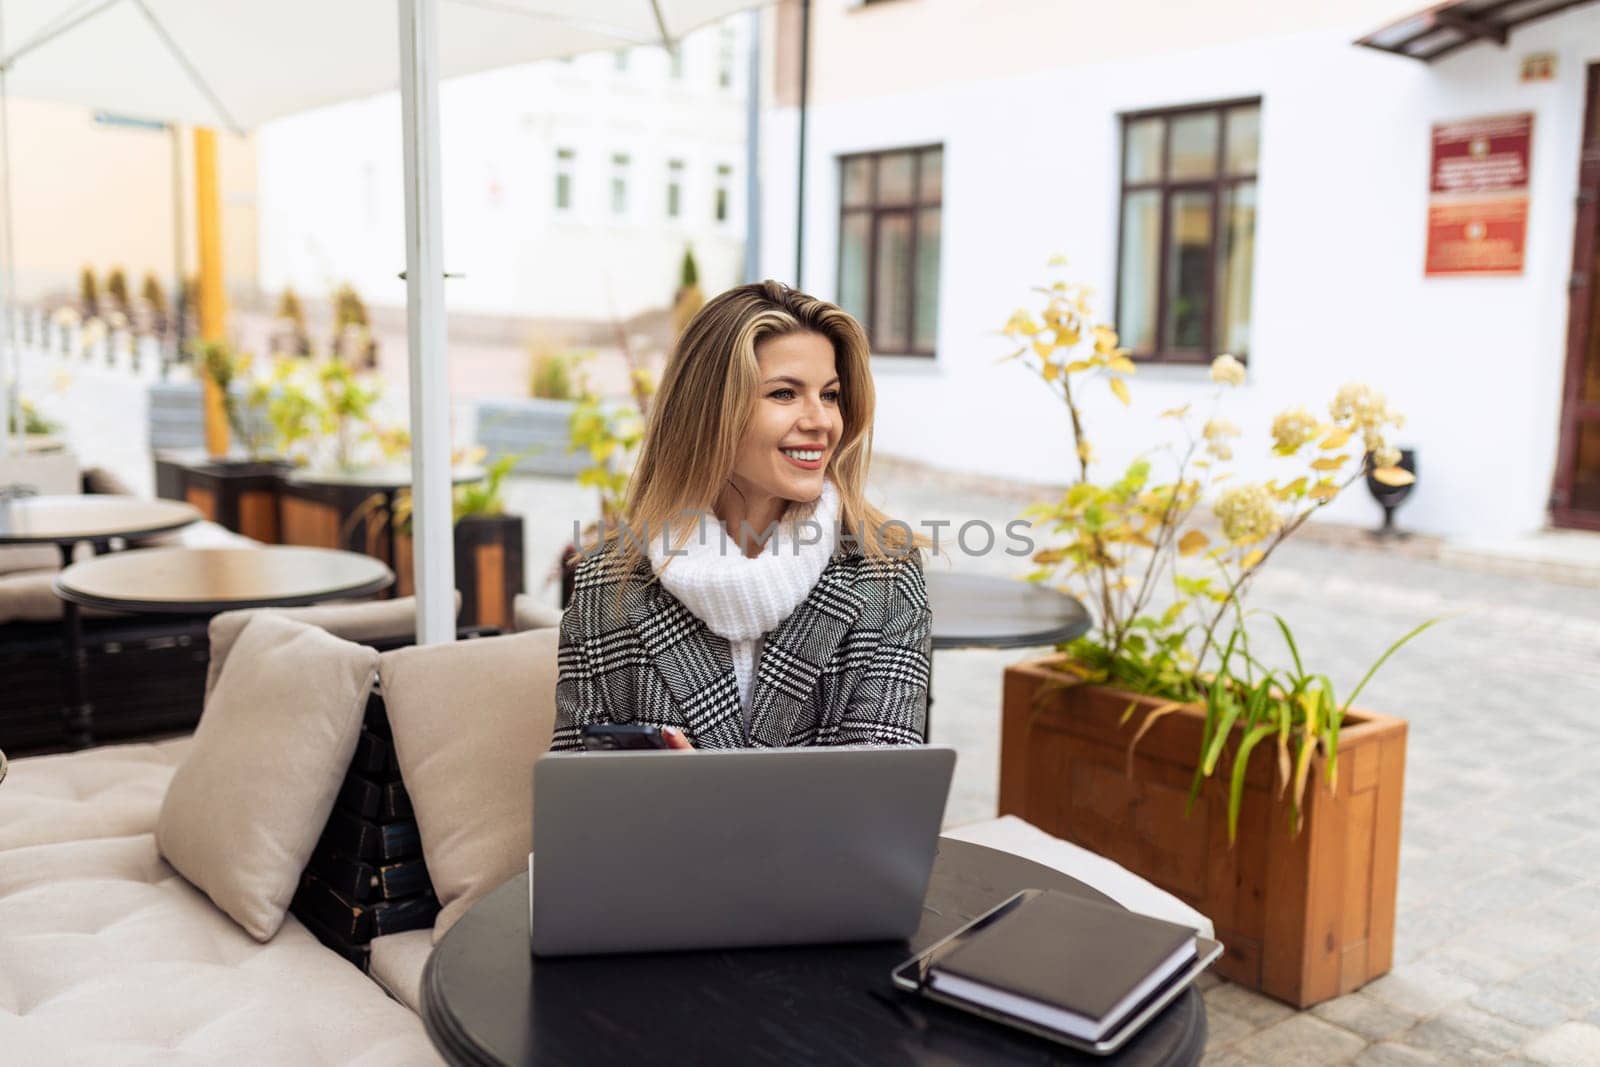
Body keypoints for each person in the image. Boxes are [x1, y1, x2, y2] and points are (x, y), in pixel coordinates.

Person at [551, 281, 934, 752]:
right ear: (708, 412)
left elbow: (882, 797)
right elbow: (578, 800)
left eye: (830, 395)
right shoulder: (607, 586)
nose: (821, 421)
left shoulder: (886, 577)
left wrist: (708, 793)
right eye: (784, 394)